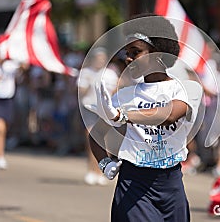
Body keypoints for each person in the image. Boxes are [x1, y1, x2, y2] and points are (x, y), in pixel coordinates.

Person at [86, 13, 203, 222]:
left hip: (172, 184)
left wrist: (123, 115)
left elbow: (168, 114)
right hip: (134, 183)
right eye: (126, 53)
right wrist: (104, 163)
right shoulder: (124, 95)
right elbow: (96, 133)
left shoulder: (187, 88)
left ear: (157, 54)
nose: (128, 58)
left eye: (136, 52)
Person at [78, 47, 119, 185]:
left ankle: (101, 171)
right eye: (98, 58)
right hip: (89, 108)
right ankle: (91, 170)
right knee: (91, 138)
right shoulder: (85, 73)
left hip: (105, 111)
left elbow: (115, 91)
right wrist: (88, 84)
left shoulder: (110, 74)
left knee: (104, 141)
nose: (100, 61)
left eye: (103, 58)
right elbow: (81, 93)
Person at [0, 48, 27, 169]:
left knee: (4, 128)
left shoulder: (10, 66)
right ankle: (0, 157)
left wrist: (22, 65)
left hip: (8, 100)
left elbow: (21, 71)